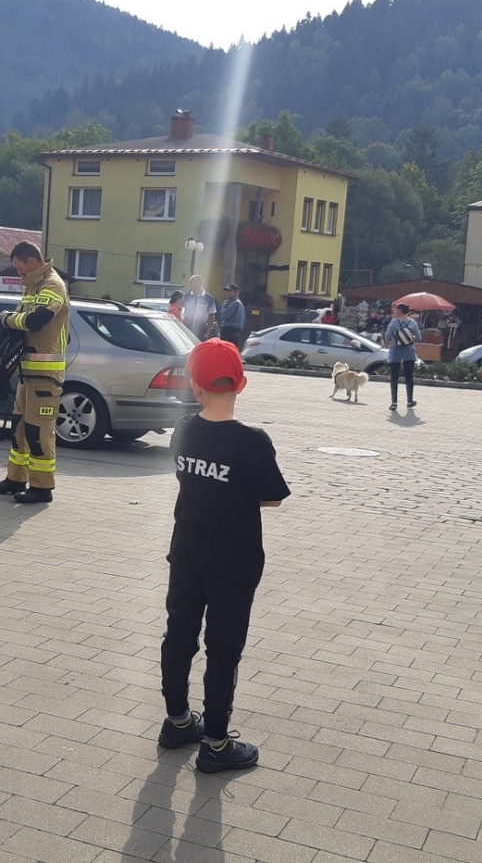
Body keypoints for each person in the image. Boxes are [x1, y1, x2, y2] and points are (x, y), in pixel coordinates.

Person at [156, 338, 290, 773]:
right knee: (223, 647)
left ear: (195, 386)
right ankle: (215, 743)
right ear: (243, 383)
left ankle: (177, 721)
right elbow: (272, 499)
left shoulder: (184, 429)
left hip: (188, 552)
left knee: (179, 635)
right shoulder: (253, 441)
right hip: (234, 559)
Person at [0, 242, 70, 504]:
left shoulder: (52, 285)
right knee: (19, 428)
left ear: (32, 262)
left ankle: (42, 488)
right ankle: (16, 479)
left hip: (45, 375)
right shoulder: (33, 286)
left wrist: (7, 319)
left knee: (38, 431)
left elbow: (35, 320)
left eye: (20, 269)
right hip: (29, 371)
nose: (20, 274)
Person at [383, 302, 424, 411]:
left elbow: (387, 336)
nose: (394, 311)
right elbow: (419, 338)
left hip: (395, 351)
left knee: (394, 377)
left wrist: (388, 342)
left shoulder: (393, 322)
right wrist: (409, 338)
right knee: (409, 377)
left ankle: (394, 402)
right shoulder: (413, 323)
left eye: (396, 309)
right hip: (409, 351)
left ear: (400, 311)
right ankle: (410, 401)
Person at [180, 273, 217, 340]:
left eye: (192, 282)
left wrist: (207, 333)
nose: (190, 285)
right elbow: (180, 310)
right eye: (190, 283)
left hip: (202, 329)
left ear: (199, 283)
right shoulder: (186, 296)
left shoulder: (209, 298)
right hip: (187, 328)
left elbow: (211, 316)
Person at [217, 283, 247, 349]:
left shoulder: (234, 303)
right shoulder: (237, 303)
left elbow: (223, 316)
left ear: (236, 292)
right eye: (227, 291)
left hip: (229, 331)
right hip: (234, 331)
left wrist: (224, 306)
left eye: (230, 291)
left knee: (226, 350)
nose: (227, 293)